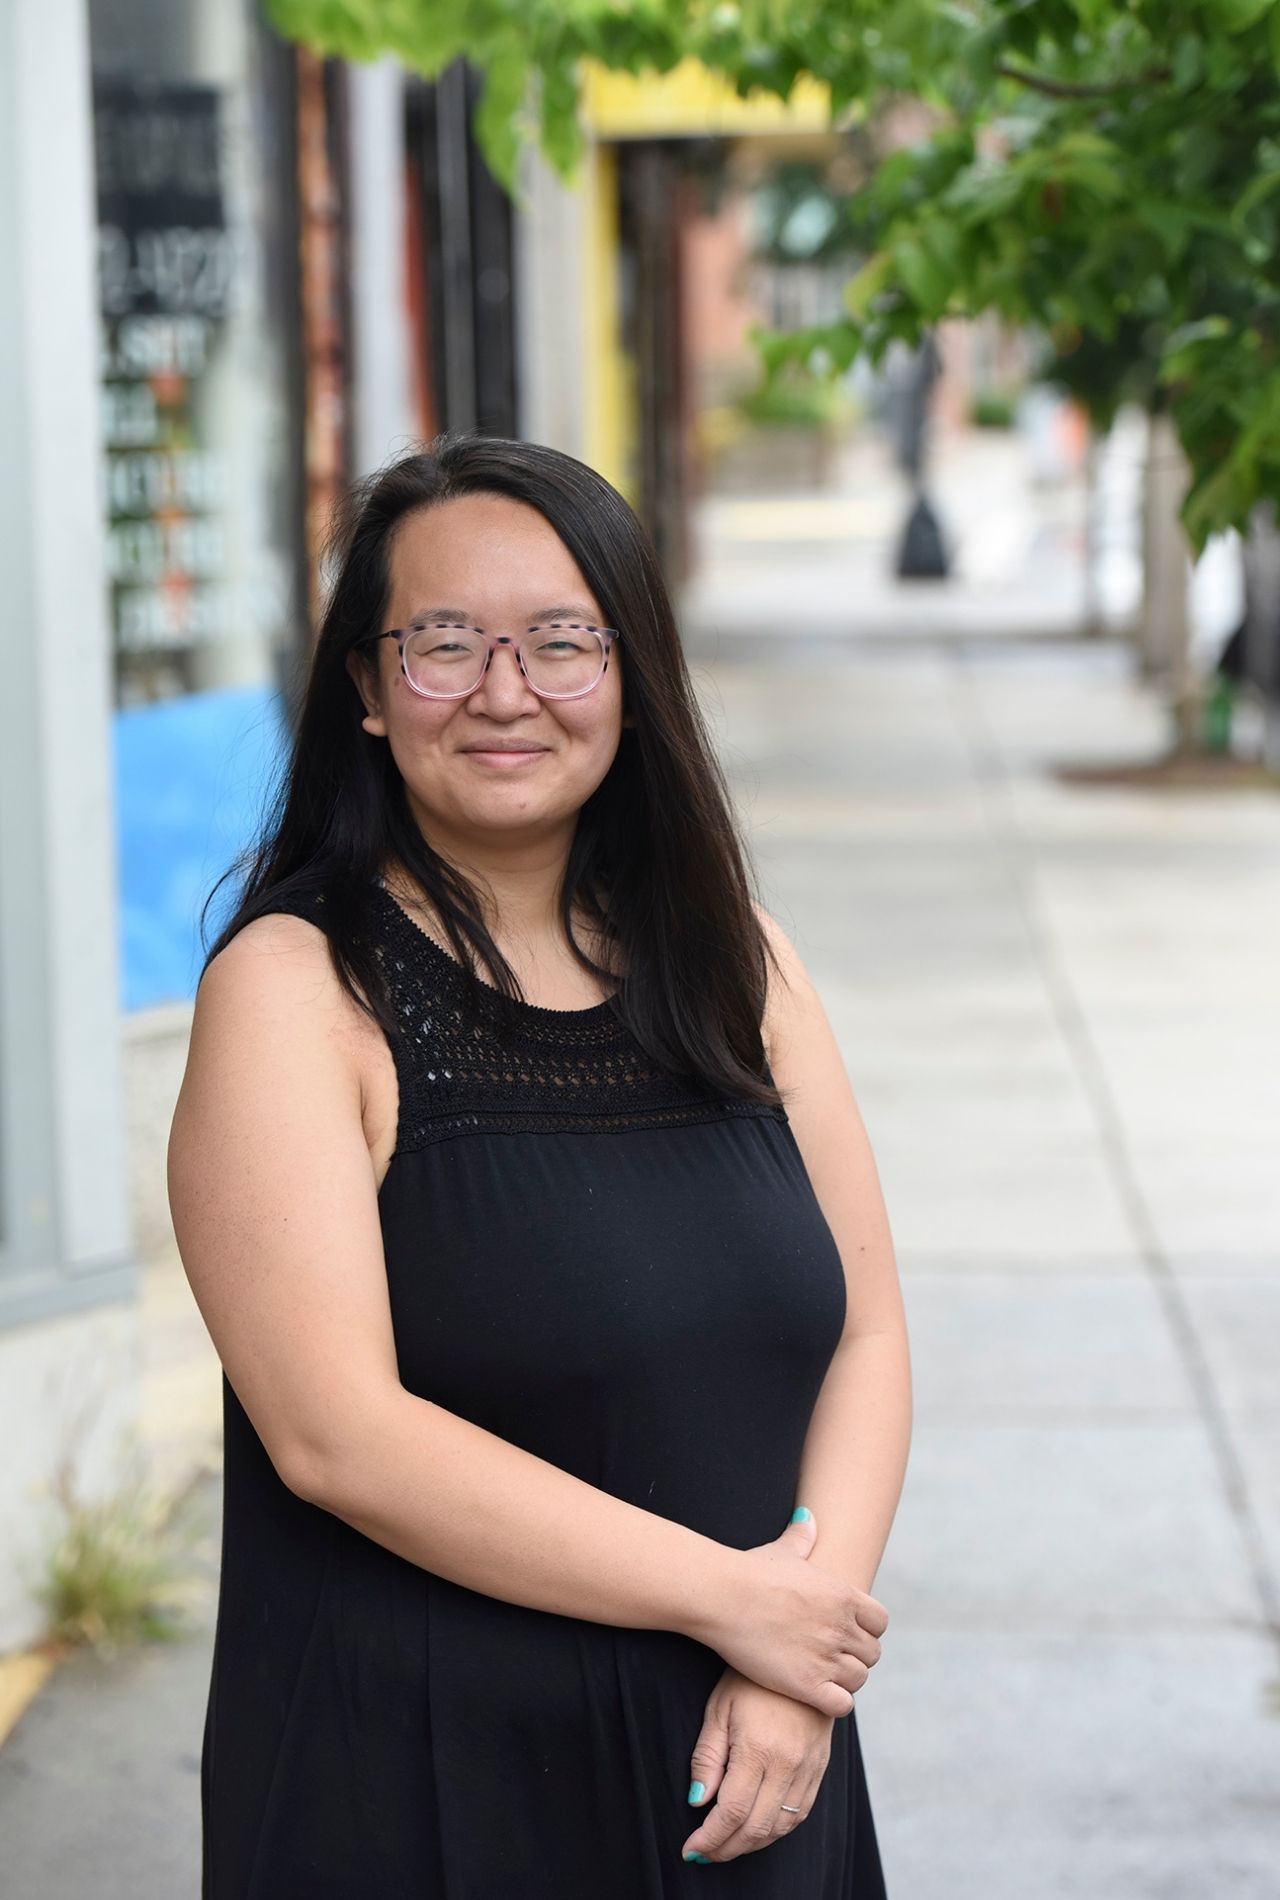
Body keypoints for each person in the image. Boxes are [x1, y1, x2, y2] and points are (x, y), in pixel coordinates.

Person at [168, 432, 913, 1897]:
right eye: (445, 643)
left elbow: (869, 1335)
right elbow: (336, 1436)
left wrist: (798, 1655)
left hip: (753, 1768)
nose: (505, 693)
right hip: (426, 1782)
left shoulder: (737, 962)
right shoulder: (297, 992)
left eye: (562, 642)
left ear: (633, 678)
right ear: (368, 687)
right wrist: (742, 1606)